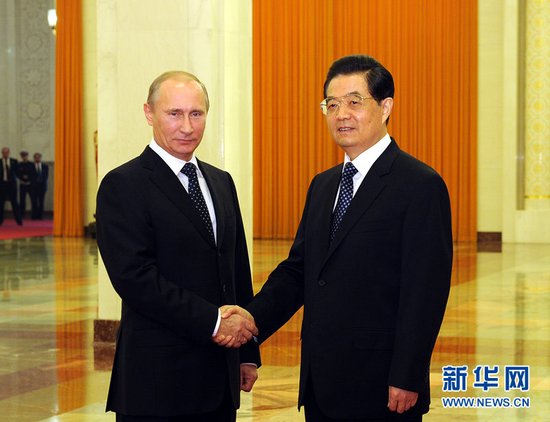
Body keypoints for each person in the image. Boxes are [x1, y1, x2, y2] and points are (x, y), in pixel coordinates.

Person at [219, 55, 453, 421]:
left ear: (386, 107)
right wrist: (250, 320)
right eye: (332, 104)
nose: (342, 114)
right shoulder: (323, 185)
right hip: (321, 382)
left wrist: (407, 375)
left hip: (383, 385)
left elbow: (425, 292)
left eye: (354, 102)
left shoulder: (420, 185)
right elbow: (299, 271)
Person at [96, 70, 260, 421]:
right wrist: (213, 322)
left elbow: (235, 267)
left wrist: (247, 353)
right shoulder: (123, 184)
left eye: (196, 114)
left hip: (219, 378)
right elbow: (135, 279)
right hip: (158, 382)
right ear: (149, 113)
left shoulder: (221, 181)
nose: (187, 126)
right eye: (174, 114)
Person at [0, 147, 22, 226]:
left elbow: (18, 172)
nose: (5, 154)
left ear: (9, 153)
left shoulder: (14, 161)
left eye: (6, 152)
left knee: (14, 202)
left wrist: (23, 178)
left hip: (12, 184)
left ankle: (18, 220)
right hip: (2, 184)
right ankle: (0, 220)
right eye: (4, 152)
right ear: (2, 153)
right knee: (1, 203)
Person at [30, 152, 49, 220]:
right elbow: (30, 176)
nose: (37, 159)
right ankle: (34, 215)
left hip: (42, 187)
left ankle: (40, 215)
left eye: (38, 157)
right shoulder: (31, 166)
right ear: (34, 158)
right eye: (36, 157)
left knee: (41, 201)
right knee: (34, 202)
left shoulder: (45, 166)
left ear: (40, 158)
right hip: (34, 187)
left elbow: (46, 176)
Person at [17, 151, 34, 219]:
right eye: (23, 156)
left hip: (30, 184)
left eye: (25, 156)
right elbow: (17, 173)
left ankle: (34, 214)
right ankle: (22, 214)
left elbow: (33, 173)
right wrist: (21, 178)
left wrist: (29, 179)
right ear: (21, 157)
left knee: (33, 199)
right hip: (22, 184)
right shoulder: (19, 164)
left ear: (27, 156)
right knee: (22, 200)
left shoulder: (31, 164)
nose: (24, 157)